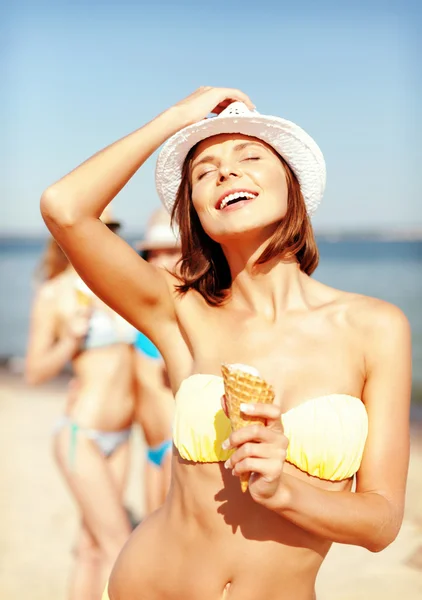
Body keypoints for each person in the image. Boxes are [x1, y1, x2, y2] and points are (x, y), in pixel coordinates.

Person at [40, 87, 412, 600]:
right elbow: (64, 209)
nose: (225, 172)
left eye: (251, 156)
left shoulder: (375, 326)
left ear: (292, 184)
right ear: (195, 212)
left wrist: (284, 490)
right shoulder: (177, 311)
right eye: (203, 170)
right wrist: (176, 118)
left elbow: (382, 522)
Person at [25, 211, 136, 600]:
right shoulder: (55, 294)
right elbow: (35, 372)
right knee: (119, 545)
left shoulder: (122, 284)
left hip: (123, 436)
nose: (100, 237)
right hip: (82, 435)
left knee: (91, 546)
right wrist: (69, 341)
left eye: (109, 229)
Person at [133, 207, 180, 514]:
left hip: (177, 451)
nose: (160, 261)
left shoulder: (195, 310)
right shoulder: (141, 306)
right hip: (151, 447)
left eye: (171, 252)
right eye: (154, 254)